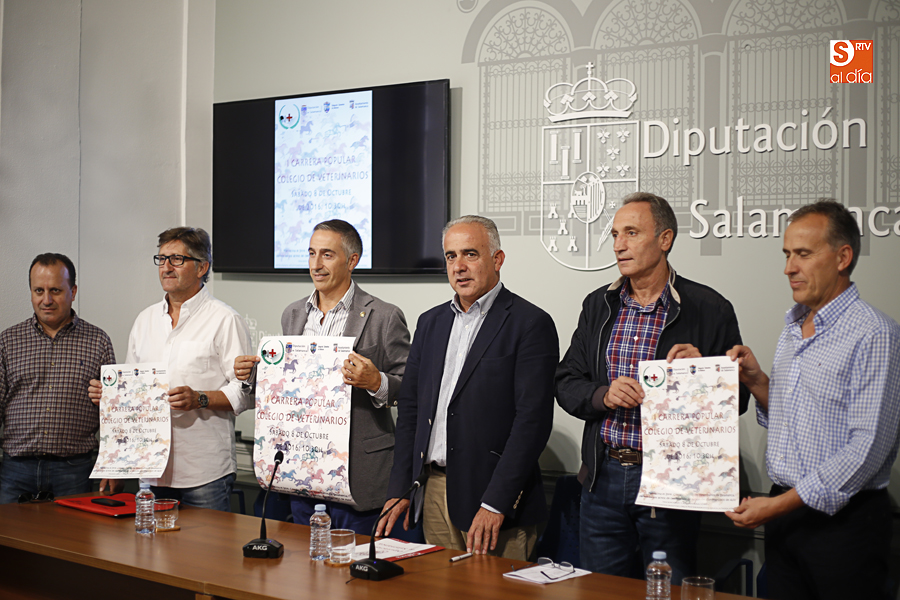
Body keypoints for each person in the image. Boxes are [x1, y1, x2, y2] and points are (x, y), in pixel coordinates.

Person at [555, 192, 749, 582]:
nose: (619, 245)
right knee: (601, 591)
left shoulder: (708, 307)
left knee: (669, 588)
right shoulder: (599, 304)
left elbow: (738, 399)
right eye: (614, 234)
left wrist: (702, 376)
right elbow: (566, 381)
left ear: (665, 239)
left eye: (631, 233)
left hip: (671, 481)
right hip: (603, 476)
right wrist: (602, 395)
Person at [726, 200, 900, 600]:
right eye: (787, 254)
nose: (789, 267)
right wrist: (757, 381)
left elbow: (866, 451)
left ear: (843, 257)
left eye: (802, 254)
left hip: (843, 527)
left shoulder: (874, 334)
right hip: (786, 517)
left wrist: (775, 506)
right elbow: (794, 416)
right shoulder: (792, 327)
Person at [376, 215, 558, 560]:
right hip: (434, 492)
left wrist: (495, 502)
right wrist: (400, 486)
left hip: (494, 500)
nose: (459, 266)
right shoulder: (430, 322)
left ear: (497, 259)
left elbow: (531, 423)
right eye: (450, 256)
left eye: (470, 254)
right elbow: (411, 409)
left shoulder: (530, 323)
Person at [234, 219, 411, 535]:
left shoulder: (384, 316)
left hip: (358, 476)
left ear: (352, 260)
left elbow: (412, 386)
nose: (316, 264)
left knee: (357, 577)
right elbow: (292, 384)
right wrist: (255, 375)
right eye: (311, 253)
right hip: (304, 469)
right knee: (307, 572)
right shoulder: (293, 314)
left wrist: (377, 382)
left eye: (327, 255)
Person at [89, 227, 252, 511]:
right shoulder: (145, 320)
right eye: (162, 259)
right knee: (151, 555)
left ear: (202, 267)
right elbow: (132, 395)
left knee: (204, 556)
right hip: (149, 471)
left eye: (176, 259)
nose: (166, 267)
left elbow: (246, 391)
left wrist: (199, 398)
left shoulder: (225, 319)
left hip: (203, 472)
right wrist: (113, 394)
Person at [0, 253, 118, 503]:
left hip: (75, 470)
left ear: (73, 291)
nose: (46, 300)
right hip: (16, 470)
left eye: (55, 290)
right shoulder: (8, 342)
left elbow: (114, 412)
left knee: (72, 541)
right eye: (38, 290)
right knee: (10, 541)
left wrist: (114, 465)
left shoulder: (98, 342)